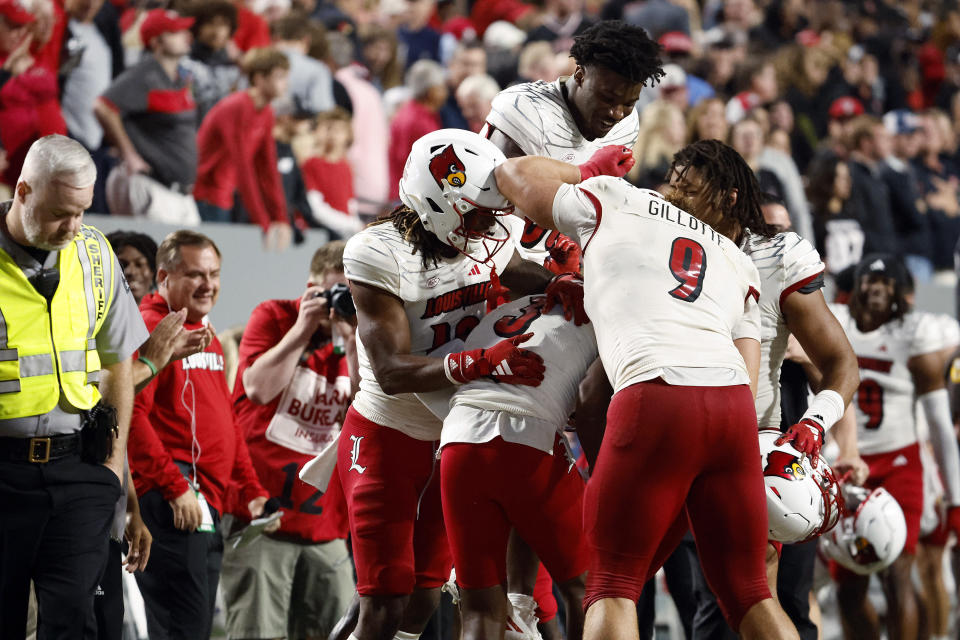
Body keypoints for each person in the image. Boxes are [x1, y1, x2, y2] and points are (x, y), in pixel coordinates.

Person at [493, 139, 800, 640]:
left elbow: (512, 174)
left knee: (610, 585)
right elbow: (746, 378)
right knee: (749, 593)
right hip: (730, 414)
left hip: (656, 397)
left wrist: (583, 168)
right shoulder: (736, 260)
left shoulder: (621, 199)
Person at [337, 128, 603, 640]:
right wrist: (478, 362)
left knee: (423, 596)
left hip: (453, 434)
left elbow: (518, 271)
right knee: (386, 596)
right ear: (436, 202)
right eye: (478, 214)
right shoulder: (376, 253)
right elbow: (392, 371)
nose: (489, 226)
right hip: (387, 432)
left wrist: (561, 284)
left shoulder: (484, 239)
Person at [688, 194, 862, 640]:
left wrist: (846, 445)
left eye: (783, 230)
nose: (777, 240)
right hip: (719, 446)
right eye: (768, 230)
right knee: (721, 598)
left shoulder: (803, 300)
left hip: (790, 453)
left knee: (792, 593)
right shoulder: (725, 287)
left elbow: (840, 374)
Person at [0, 134, 147, 639]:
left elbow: (118, 362)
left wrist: (113, 467)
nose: (74, 227)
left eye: (83, 211)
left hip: (79, 470)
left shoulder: (94, 251)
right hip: (3, 473)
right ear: (22, 191)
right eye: (62, 212)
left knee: (73, 622)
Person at [127, 230, 277, 640]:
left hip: (204, 501)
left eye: (214, 273)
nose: (207, 284)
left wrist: (249, 489)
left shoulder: (201, 333)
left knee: (194, 627)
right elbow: (132, 420)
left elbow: (225, 421)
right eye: (195, 274)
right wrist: (175, 488)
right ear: (164, 278)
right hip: (174, 500)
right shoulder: (152, 328)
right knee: (183, 627)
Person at [220, 240, 357, 640]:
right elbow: (258, 389)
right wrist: (304, 328)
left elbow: (371, 401)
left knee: (338, 630)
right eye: (337, 292)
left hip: (326, 524)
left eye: (354, 293)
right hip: (264, 516)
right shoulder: (275, 315)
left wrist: (351, 338)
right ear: (312, 288)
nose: (343, 304)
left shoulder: (363, 331)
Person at [439, 291, 594, 640]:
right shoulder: (602, 301)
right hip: (529, 434)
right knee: (588, 589)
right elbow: (592, 398)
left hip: (458, 434)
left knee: (480, 609)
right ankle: (520, 609)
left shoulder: (513, 302)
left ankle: (519, 608)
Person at [827, 255, 960, 640]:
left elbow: (938, 425)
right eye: (870, 283)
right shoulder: (838, 325)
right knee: (848, 587)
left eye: (886, 285)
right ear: (856, 288)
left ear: (900, 294)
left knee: (897, 575)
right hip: (849, 466)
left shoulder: (913, 336)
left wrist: (954, 500)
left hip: (900, 464)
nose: (877, 292)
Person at [94, 9, 199, 225]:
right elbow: (102, 107)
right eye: (175, 32)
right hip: (154, 186)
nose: (185, 36)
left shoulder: (180, 77)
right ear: (156, 41)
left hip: (182, 192)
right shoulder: (143, 75)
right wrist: (129, 154)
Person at [193, 47, 293, 249]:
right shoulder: (236, 106)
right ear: (259, 78)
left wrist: (280, 218)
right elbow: (243, 167)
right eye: (279, 77)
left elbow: (268, 169)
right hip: (204, 195)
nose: (285, 84)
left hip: (224, 196)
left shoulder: (266, 112)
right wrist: (263, 222)